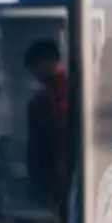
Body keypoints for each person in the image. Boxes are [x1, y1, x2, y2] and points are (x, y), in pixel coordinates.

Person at [24, 39, 70, 205]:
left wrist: (39, 186)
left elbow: (38, 151)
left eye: (34, 69)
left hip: (56, 181)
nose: (35, 76)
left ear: (42, 62)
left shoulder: (41, 102)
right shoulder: (76, 90)